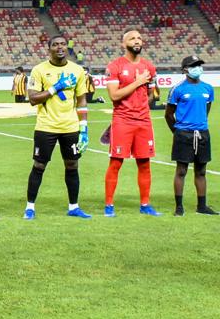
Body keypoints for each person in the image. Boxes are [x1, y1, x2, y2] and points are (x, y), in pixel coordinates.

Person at [23, 36, 92, 220]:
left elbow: (81, 100)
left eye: (62, 44)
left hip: (70, 127)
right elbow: (32, 99)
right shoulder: (39, 70)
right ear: (49, 49)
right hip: (46, 126)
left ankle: (74, 207)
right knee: (39, 165)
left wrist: (83, 128)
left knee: (72, 165)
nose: (59, 47)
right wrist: (56, 88)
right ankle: (30, 207)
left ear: (67, 48)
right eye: (55, 44)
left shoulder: (77, 71)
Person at [103, 29, 160, 217]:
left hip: (144, 121)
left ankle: (145, 204)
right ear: (123, 43)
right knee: (116, 163)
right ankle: (109, 206)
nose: (137, 41)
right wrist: (137, 83)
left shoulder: (149, 67)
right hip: (122, 120)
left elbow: (152, 93)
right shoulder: (115, 66)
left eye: (139, 38)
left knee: (144, 163)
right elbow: (114, 95)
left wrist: (145, 101)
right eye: (132, 38)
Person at [165, 55, 217, 216]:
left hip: (203, 134)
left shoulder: (208, 88)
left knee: (201, 171)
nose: (198, 68)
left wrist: (199, 125)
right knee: (181, 171)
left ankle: (202, 207)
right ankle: (179, 208)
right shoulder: (177, 89)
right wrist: (178, 132)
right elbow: (168, 114)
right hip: (183, 135)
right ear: (185, 69)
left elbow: (206, 110)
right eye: (194, 65)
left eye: (200, 64)